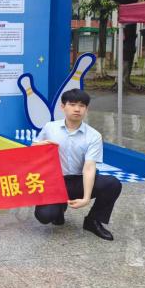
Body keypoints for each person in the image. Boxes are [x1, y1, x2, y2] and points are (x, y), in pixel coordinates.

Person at [32, 89, 122, 241]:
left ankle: (93, 221)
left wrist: (86, 198)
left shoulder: (93, 136)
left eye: (81, 106)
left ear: (86, 109)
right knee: (45, 216)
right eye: (72, 104)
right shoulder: (50, 128)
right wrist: (39, 145)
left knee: (112, 184)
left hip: (80, 180)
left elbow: (89, 167)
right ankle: (59, 208)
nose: (77, 109)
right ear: (63, 107)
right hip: (55, 182)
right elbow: (33, 149)